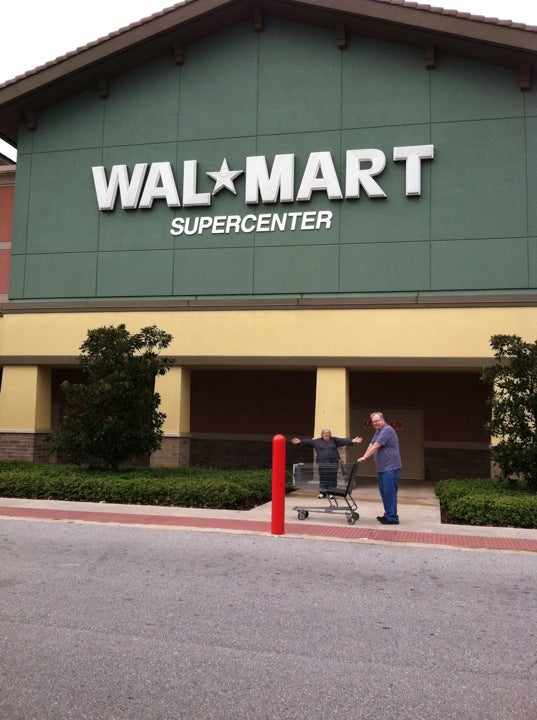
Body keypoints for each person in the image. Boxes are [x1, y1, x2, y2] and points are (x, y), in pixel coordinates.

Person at [357, 411, 402, 524]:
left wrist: (366, 457)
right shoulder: (378, 431)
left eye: (377, 421)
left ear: (382, 420)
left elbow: (377, 445)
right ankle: (388, 515)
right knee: (384, 493)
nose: (375, 423)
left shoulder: (387, 430)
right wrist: (364, 456)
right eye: (373, 422)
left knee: (390, 493)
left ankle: (392, 518)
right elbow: (372, 444)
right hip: (383, 469)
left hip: (390, 468)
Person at [291, 428, 362, 497]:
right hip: (322, 463)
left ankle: (332, 493)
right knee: (323, 478)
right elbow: (309, 442)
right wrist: (300, 441)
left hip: (333, 463)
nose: (326, 434)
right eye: (324, 433)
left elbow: (343, 441)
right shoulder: (317, 441)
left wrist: (353, 440)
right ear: (322, 434)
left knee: (332, 478)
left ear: (330, 434)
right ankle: (322, 493)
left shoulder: (334, 440)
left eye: (327, 433)